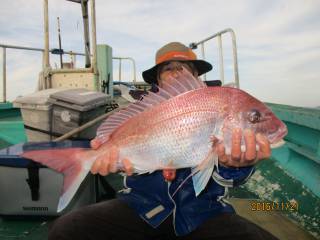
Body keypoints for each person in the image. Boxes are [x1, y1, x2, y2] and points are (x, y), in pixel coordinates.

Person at [48, 42, 278, 240]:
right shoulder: (137, 112)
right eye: (169, 69)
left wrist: (234, 165)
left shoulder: (214, 105)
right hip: (140, 207)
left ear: (196, 76)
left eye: (185, 68)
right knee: (66, 230)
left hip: (202, 213)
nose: (177, 73)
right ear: (158, 79)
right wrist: (111, 160)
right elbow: (126, 158)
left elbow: (224, 175)